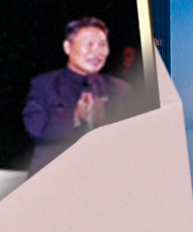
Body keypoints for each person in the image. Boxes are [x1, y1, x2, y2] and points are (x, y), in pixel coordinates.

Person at [23, 18, 130, 175]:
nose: (97, 52)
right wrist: (74, 116)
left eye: (102, 45)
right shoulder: (44, 84)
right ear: (67, 47)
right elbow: (35, 127)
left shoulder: (120, 89)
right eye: (89, 44)